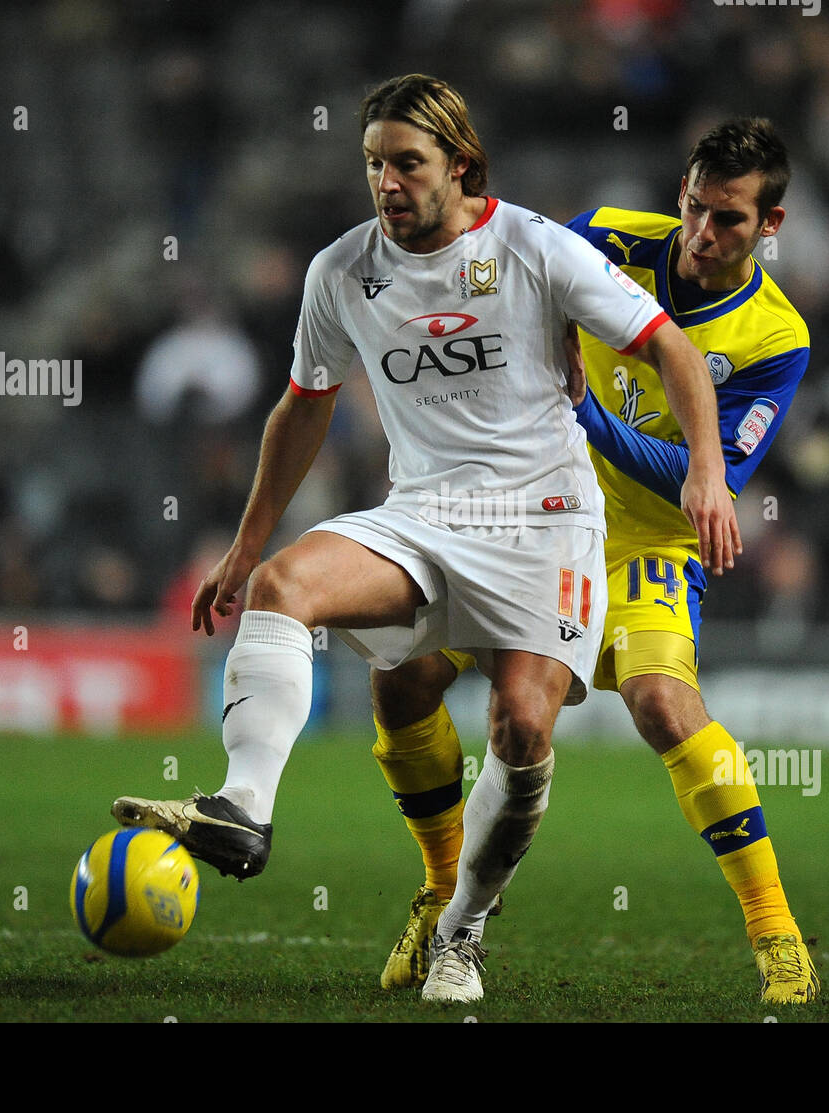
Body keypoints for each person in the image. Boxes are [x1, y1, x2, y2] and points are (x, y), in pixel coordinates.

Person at [110, 74, 739, 1005]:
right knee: (285, 587)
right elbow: (302, 406)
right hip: (425, 514)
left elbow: (672, 349)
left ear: (461, 167)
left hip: (546, 523)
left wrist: (706, 471)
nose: (387, 183)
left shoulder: (533, 247)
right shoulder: (341, 271)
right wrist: (244, 548)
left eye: (408, 163)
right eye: (373, 164)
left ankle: (461, 931)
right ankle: (242, 810)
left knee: (522, 729)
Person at [370, 118, 820, 1004]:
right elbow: (501, 274)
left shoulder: (777, 339)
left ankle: (777, 933)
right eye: (692, 206)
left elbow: (697, 488)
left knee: (662, 703)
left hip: (645, 544)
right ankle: (441, 898)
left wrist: (586, 411)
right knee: (405, 678)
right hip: (527, 517)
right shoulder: (607, 236)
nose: (698, 234)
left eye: (727, 220)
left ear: (771, 225)